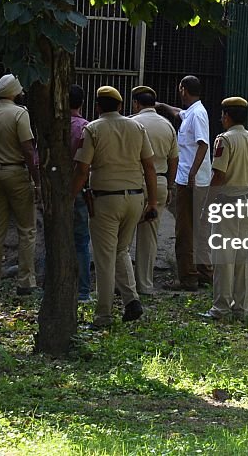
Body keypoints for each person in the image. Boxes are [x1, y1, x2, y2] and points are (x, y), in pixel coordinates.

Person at [71, 86, 158, 328]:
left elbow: (82, 169)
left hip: (105, 201)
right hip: (135, 198)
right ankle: (131, 300)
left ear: (98, 106)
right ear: (120, 106)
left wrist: (70, 196)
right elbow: (149, 166)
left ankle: (103, 316)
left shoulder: (93, 129)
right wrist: (152, 202)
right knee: (121, 251)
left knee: (104, 258)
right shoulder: (137, 127)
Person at [199, 97, 248, 321]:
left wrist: (207, 206)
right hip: (247, 203)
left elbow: (218, 176)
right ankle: (242, 308)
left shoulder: (224, 140)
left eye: (222, 115)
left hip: (227, 204)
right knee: (242, 257)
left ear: (227, 116)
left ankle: (221, 308)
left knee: (222, 257)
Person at [0, 73, 41, 296]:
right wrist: (37, 179)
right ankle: (25, 281)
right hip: (17, 172)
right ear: (15, 92)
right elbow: (28, 149)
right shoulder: (19, 114)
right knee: (27, 229)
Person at [155, 75, 213, 291]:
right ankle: (205, 273)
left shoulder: (198, 115)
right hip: (197, 180)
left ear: (184, 90)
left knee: (185, 230)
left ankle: (188, 277)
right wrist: (161, 106)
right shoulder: (194, 111)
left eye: (180, 88)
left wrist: (191, 174)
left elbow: (203, 145)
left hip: (191, 181)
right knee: (199, 229)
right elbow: (178, 113)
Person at [129, 85, 178, 296]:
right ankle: (145, 285)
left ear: (136, 104)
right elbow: (174, 159)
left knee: (123, 237)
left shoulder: (131, 124)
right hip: (159, 183)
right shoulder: (167, 126)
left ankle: (121, 284)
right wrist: (170, 185)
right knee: (149, 238)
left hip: (134, 183)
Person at [69, 84, 93, 303]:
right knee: (82, 241)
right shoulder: (86, 128)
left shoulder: (54, 127)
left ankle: (51, 285)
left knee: (54, 238)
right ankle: (84, 290)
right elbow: (87, 165)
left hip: (57, 189)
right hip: (80, 189)